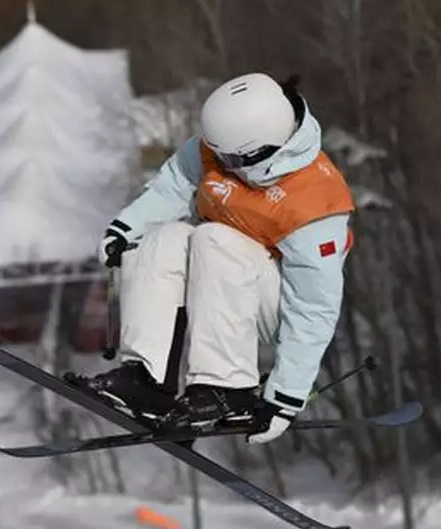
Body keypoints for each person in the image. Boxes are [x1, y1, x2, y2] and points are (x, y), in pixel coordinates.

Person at [81, 72, 355, 445]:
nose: (219, 163)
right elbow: (175, 185)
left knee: (215, 238)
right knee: (166, 236)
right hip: (218, 285)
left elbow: (313, 309)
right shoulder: (224, 145)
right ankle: (147, 380)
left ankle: (226, 389)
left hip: (272, 303)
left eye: (227, 157)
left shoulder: (314, 205)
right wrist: (127, 228)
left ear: (261, 152)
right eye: (216, 152)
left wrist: (285, 397)